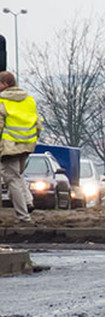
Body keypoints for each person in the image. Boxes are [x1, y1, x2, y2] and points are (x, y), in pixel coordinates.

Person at [0, 71, 39, 224]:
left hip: (9, 147)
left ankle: (23, 217)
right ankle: (28, 201)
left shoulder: (2, 102)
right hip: (27, 146)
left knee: (12, 179)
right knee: (18, 175)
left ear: (5, 84)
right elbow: (38, 125)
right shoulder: (29, 100)